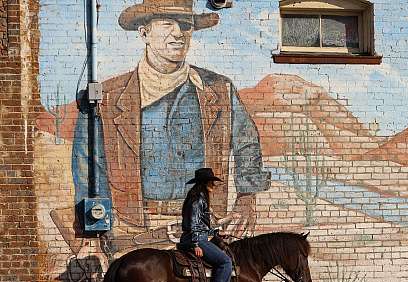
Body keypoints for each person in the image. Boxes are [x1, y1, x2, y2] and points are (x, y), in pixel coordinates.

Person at [53, 0, 270, 257]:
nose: (178, 33)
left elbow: (247, 142)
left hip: (205, 225)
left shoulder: (219, 89)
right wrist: (94, 232)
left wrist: (247, 198)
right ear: (144, 33)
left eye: (185, 25)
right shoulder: (108, 97)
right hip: (132, 230)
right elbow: (88, 165)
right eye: (167, 24)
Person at [178, 168, 233, 282]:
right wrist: (196, 244)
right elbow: (193, 224)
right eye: (211, 183)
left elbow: (201, 226)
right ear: (205, 183)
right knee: (226, 262)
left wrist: (217, 233)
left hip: (197, 237)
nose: (213, 186)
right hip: (194, 240)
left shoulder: (198, 197)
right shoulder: (198, 199)